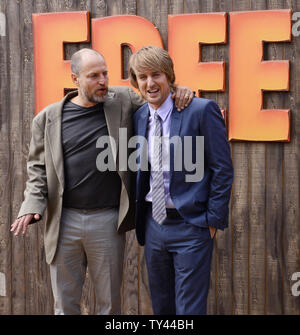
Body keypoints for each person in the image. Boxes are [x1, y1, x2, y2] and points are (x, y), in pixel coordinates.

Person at [10, 48, 193, 315]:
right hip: (63, 222)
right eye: (93, 76)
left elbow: (158, 95)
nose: (103, 81)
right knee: (65, 304)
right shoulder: (47, 119)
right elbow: (37, 170)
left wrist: (180, 90)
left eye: (105, 73)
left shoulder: (123, 100)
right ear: (75, 79)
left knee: (110, 305)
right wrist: (31, 205)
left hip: (107, 221)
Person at [129, 45, 234, 315]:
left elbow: (222, 169)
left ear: (169, 76)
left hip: (192, 226)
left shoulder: (200, 110)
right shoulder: (139, 116)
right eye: (143, 77)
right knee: (162, 307)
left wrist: (212, 221)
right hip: (154, 225)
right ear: (135, 82)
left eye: (156, 75)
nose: (150, 83)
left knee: (189, 310)